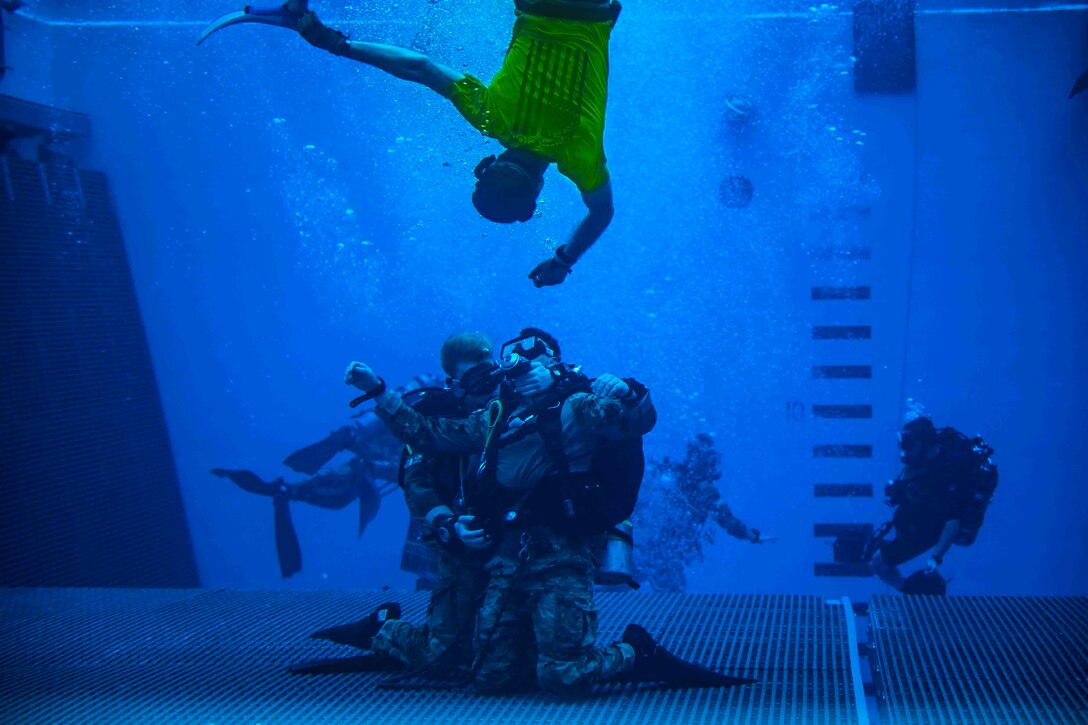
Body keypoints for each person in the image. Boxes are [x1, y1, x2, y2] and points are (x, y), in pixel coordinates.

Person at [344, 329, 753, 694]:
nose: (522, 375)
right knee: (489, 678)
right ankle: (532, 652)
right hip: (506, 556)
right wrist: (379, 391)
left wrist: (615, 387)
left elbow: (635, 421)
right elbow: (428, 433)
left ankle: (633, 652)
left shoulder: (577, 406)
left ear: (552, 365)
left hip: (559, 554)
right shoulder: (495, 416)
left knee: (564, 676)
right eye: (514, 369)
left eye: (532, 367)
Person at [199, 0, 619, 287]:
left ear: (539, 189)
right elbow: (418, 66)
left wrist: (564, 261)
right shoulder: (491, 118)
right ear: (488, 165)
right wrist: (337, 44)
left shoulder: (577, 154)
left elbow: (602, 213)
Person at [296, 333, 498, 682]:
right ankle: (383, 629)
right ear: (454, 384)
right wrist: (446, 522)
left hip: (508, 542)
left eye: (491, 374)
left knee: (504, 652)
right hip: (453, 537)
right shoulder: (430, 416)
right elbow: (416, 482)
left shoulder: (517, 405)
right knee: (446, 657)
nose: (487, 386)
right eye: (475, 379)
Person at [868, 415, 998, 595]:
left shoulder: (948, 473)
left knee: (877, 564)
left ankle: (915, 590)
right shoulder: (920, 460)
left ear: (922, 445)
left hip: (931, 528)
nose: (903, 450)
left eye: (908, 444)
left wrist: (935, 559)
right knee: (889, 546)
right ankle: (918, 587)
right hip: (920, 515)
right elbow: (917, 482)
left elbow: (952, 522)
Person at [634, 433, 777, 593]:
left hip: (653, 550)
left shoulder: (673, 475)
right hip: (661, 552)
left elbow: (727, 520)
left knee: (643, 578)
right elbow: (727, 521)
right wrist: (753, 537)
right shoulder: (688, 483)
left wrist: (753, 536)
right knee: (667, 593)